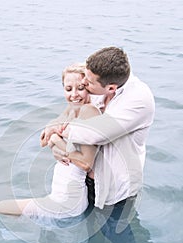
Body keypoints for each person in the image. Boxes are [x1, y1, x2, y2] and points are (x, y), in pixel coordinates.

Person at [44, 46, 155, 211]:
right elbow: (73, 110)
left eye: (87, 82)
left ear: (111, 88)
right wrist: (53, 127)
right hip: (87, 181)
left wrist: (55, 133)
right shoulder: (101, 79)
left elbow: (95, 133)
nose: (83, 83)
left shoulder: (138, 100)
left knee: (115, 233)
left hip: (115, 188)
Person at [0, 63, 101, 219]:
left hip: (68, 201)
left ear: (89, 87)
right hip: (60, 195)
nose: (74, 95)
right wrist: (53, 137)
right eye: (68, 89)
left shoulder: (89, 111)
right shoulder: (72, 109)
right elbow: (44, 141)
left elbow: (86, 163)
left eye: (80, 88)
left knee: (1, 207)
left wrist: (56, 139)